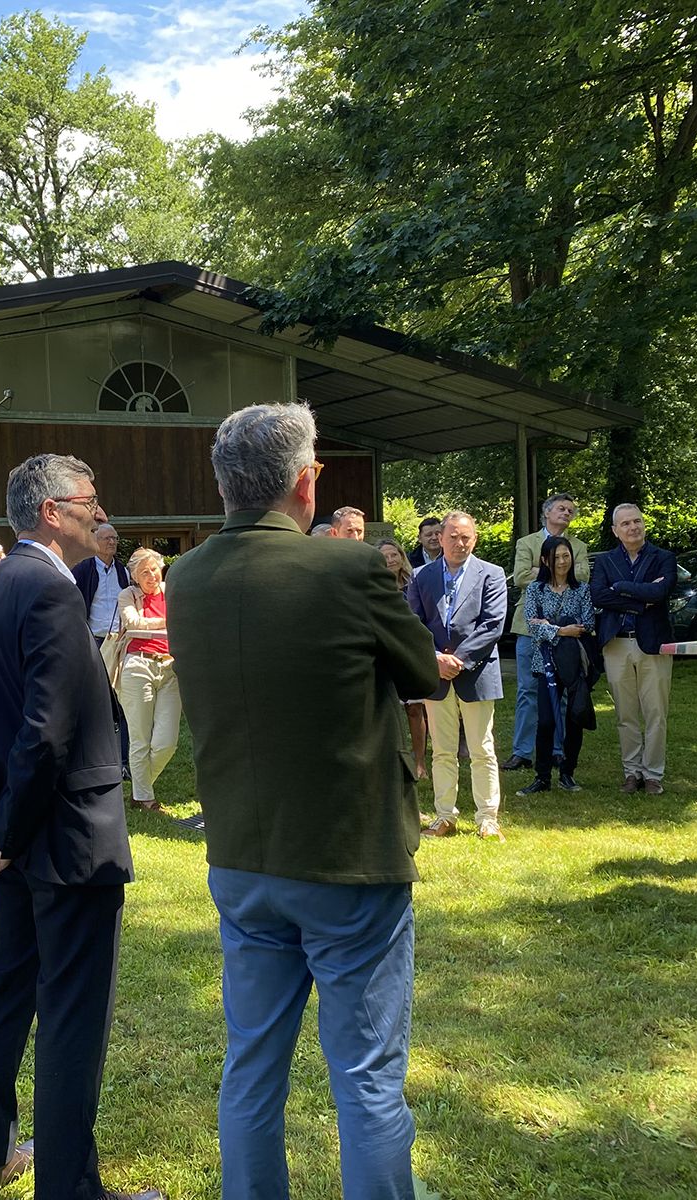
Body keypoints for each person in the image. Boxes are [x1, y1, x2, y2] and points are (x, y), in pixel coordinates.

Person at [167, 402, 438, 1200]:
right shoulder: (347, 568)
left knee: (252, 1065)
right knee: (367, 1075)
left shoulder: (186, 577)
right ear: (306, 481)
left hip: (242, 855)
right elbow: (422, 671)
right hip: (346, 855)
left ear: (224, 484)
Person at [0, 453, 162, 1200]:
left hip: (16, 831)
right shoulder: (49, 587)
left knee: (6, 987)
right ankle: (68, 1187)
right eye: (88, 502)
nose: (99, 514)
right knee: (71, 1011)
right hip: (62, 836)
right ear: (50, 512)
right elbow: (47, 730)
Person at [407, 512, 508, 840]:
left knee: (482, 748)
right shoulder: (420, 576)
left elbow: (492, 624)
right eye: (452, 537)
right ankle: (444, 816)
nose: (459, 543)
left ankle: (488, 818)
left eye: (466, 537)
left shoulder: (491, 574)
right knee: (442, 750)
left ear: (474, 539)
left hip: (476, 673)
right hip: (435, 675)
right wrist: (436, 658)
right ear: (440, 538)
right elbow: (413, 622)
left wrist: (459, 660)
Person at [590, 504, 676, 795]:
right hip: (617, 643)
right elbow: (598, 595)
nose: (633, 527)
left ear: (644, 524)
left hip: (653, 644)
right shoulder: (605, 561)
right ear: (615, 531)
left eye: (637, 521)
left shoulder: (663, 558)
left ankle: (653, 774)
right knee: (624, 714)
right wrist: (640, 602)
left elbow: (660, 592)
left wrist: (620, 587)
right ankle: (631, 772)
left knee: (656, 712)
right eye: (625, 524)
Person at [501, 493, 590, 772]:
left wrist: (541, 569)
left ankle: (556, 750)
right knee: (528, 690)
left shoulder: (579, 546)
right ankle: (522, 752)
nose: (567, 513)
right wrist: (559, 569)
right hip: (530, 627)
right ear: (547, 512)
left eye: (571, 510)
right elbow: (520, 577)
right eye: (562, 508)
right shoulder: (526, 542)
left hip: (567, 630)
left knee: (562, 691)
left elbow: (583, 577)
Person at [515, 536, 596, 795]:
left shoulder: (581, 589)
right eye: (556, 557)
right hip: (546, 664)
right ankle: (542, 777)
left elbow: (587, 624)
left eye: (566, 556)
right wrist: (562, 630)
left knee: (574, 718)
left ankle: (567, 773)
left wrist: (549, 626)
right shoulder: (535, 590)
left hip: (574, 665)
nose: (562, 562)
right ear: (545, 560)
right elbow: (532, 626)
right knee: (546, 721)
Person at [116, 548, 181, 812]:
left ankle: (139, 789)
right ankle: (145, 799)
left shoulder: (171, 591)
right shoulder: (127, 595)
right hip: (137, 665)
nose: (151, 575)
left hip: (170, 667)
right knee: (140, 738)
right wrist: (167, 621)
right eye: (144, 572)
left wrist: (154, 622)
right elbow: (133, 622)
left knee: (167, 742)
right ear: (134, 576)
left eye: (154, 569)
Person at [72, 522, 131, 775]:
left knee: (123, 699)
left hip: (120, 642)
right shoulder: (83, 570)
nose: (112, 542)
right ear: (95, 541)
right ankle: (99, 759)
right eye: (107, 538)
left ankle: (124, 760)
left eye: (115, 538)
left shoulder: (123, 571)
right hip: (95, 642)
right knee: (97, 700)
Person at [379, 538, 428, 779]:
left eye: (394, 554)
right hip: (385, 652)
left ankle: (420, 762)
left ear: (402, 556)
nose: (390, 560)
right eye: (385, 556)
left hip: (410, 652)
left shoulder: (414, 584)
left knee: (415, 709)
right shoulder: (373, 585)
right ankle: (391, 762)